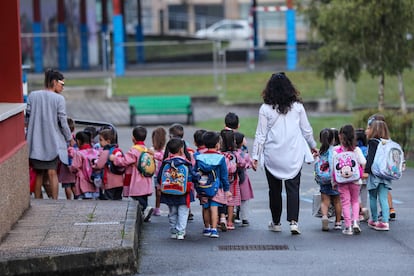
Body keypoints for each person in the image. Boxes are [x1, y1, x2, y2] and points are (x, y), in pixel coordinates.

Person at [251, 72, 317, 235]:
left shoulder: (265, 108)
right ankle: (294, 222)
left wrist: (255, 156)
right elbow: (306, 130)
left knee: (274, 190)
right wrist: (313, 145)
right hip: (293, 153)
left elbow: (261, 134)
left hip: (272, 153)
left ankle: (276, 222)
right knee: (293, 188)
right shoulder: (298, 107)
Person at [26, 69, 74, 199]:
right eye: (61, 84)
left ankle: (37, 200)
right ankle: (55, 200)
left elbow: (27, 118)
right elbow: (63, 121)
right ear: (54, 82)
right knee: (52, 173)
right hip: (53, 142)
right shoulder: (59, 99)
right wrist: (69, 138)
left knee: (39, 173)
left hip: (35, 142)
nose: (63, 87)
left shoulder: (32, 95)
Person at [110, 126, 154, 221]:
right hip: (145, 177)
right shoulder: (145, 149)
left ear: (133, 138)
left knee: (136, 195)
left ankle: (146, 208)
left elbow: (124, 161)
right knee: (143, 195)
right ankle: (144, 213)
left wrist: (115, 159)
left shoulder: (134, 150)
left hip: (137, 178)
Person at [194, 131, 232, 238]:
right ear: (217, 144)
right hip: (217, 187)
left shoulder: (199, 157)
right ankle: (214, 229)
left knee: (205, 207)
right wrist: (227, 189)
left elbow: (195, 172)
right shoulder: (221, 158)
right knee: (214, 207)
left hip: (203, 186)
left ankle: (207, 227)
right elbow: (224, 176)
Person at [157, 138, 196, 240]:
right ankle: (180, 231)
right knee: (183, 212)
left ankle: (173, 230)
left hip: (169, 191)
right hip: (183, 192)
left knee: (172, 211)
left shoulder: (166, 162)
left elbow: (160, 176)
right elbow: (192, 176)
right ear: (181, 150)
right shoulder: (186, 163)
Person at [333, 124, 366, 235]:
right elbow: (363, 162)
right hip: (355, 180)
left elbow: (333, 167)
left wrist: (333, 182)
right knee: (355, 201)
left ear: (340, 136)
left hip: (342, 181)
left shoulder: (336, 151)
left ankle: (348, 227)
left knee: (345, 203)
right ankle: (355, 222)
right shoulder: (356, 150)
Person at [365, 119, 393, 231]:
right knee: (383, 198)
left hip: (374, 174)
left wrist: (366, 171)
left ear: (374, 130)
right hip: (386, 174)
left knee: (372, 197)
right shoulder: (388, 143)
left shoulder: (373, 142)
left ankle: (375, 220)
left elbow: (370, 158)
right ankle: (385, 222)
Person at [314, 128, 342, 231]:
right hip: (334, 180)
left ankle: (325, 217)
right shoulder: (334, 152)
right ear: (333, 140)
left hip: (323, 180)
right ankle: (338, 222)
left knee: (325, 201)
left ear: (321, 140)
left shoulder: (320, 152)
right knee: (337, 202)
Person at [94, 129, 124, 200]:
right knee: (118, 199)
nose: (99, 142)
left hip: (109, 182)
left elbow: (99, 165)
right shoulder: (118, 150)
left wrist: (94, 165)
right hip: (120, 182)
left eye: (101, 140)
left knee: (109, 200)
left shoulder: (106, 151)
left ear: (108, 141)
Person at [219, 129, 240, 231]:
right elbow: (241, 163)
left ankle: (222, 218)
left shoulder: (219, 154)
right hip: (233, 180)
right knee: (231, 201)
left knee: (222, 199)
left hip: (221, 181)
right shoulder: (235, 154)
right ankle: (230, 222)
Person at [70, 131, 100, 199]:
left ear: (78, 141)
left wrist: (70, 169)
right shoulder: (95, 151)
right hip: (93, 181)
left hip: (82, 181)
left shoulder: (79, 153)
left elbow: (75, 166)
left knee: (84, 199)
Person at [234, 132, 254, 227]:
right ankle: (244, 218)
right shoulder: (244, 155)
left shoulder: (231, 154)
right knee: (244, 199)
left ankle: (234, 215)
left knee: (234, 197)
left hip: (233, 178)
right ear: (242, 142)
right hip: (243, 179)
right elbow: (250, 164)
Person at [58, 117, 77, 199]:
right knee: (73, 183)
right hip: (74, 164)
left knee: (66, 185)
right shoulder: (75, 139)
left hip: (64, 164)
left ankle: (68, 199)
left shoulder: (61, 139)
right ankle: (77, 197)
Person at [151, 127, 167, 216]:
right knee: (158, 192)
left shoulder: (163, 150)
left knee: (159, 192)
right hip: (158, 174)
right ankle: (157, 208)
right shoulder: (152, 150)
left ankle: (158, 208)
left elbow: (163, 158)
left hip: (162, 174)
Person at [356, 128, 369, 221]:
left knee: (356, 194)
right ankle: (364, 208)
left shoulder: (355, 149)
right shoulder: (367, 149)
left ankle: (359, 212)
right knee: (364, 192)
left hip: (356, 174)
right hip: (366, 174)